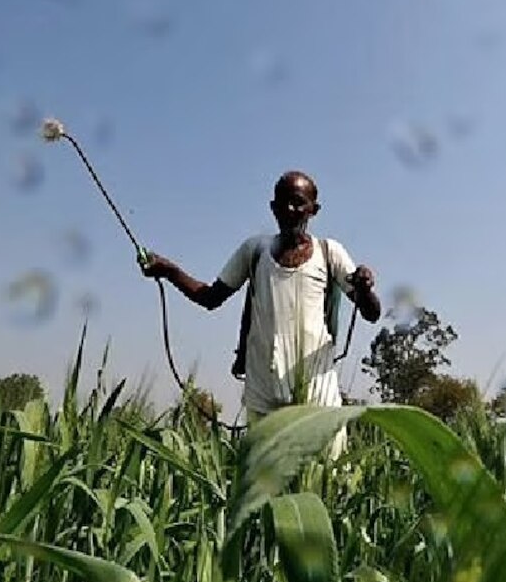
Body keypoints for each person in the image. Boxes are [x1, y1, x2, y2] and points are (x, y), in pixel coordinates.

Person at [139, 170, 382, 457]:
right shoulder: (254, 251)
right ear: (272, 207)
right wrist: (170, 272)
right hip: (264, 394)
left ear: (313, 210)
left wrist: (365, 288)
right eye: (282, 203)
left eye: (298, 202)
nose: (289, 210)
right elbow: (210, 298)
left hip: (319, 397)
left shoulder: (330, 253)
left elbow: (371, 313)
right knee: (266, 488)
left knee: (326, 481)